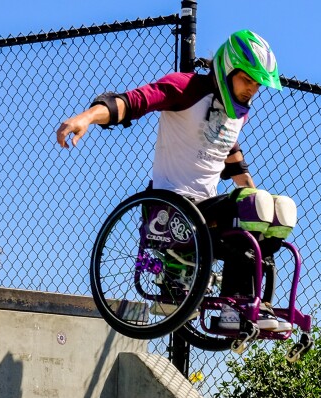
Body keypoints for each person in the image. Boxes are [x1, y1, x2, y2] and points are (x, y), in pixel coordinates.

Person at [55, 30, 291, 331]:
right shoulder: (187, 88)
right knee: (257, 204)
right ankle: (230, 306)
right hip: (170, 208)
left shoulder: (237, 114)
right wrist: (87, 117)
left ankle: (248, 304)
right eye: (248, 80)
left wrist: (261, 211)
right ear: (228, 68)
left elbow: (229, 152)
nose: (252, 90)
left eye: (258, 85)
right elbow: (133, 101)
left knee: (281, 210)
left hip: (206, 211)